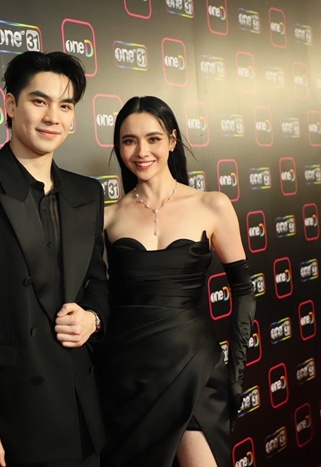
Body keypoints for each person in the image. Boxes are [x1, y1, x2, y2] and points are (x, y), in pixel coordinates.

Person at [0, 51, 109, 467]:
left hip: (80, 413)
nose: (52, 117)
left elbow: (98, 283)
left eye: (65, 106)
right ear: (10, 105)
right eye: (39, 101)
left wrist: (93, 319)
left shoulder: (87, 193)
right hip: (7, 418)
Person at [97, 96, 256, 467]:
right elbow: (98, 295)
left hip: (194, 367)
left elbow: (244, 290)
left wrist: (236, 372)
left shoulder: (211, 204)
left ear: (172, 140)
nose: (141, 152)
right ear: (118, 147)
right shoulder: (106, 217)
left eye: (153, 139)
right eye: (129, 141)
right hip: (127, 374)